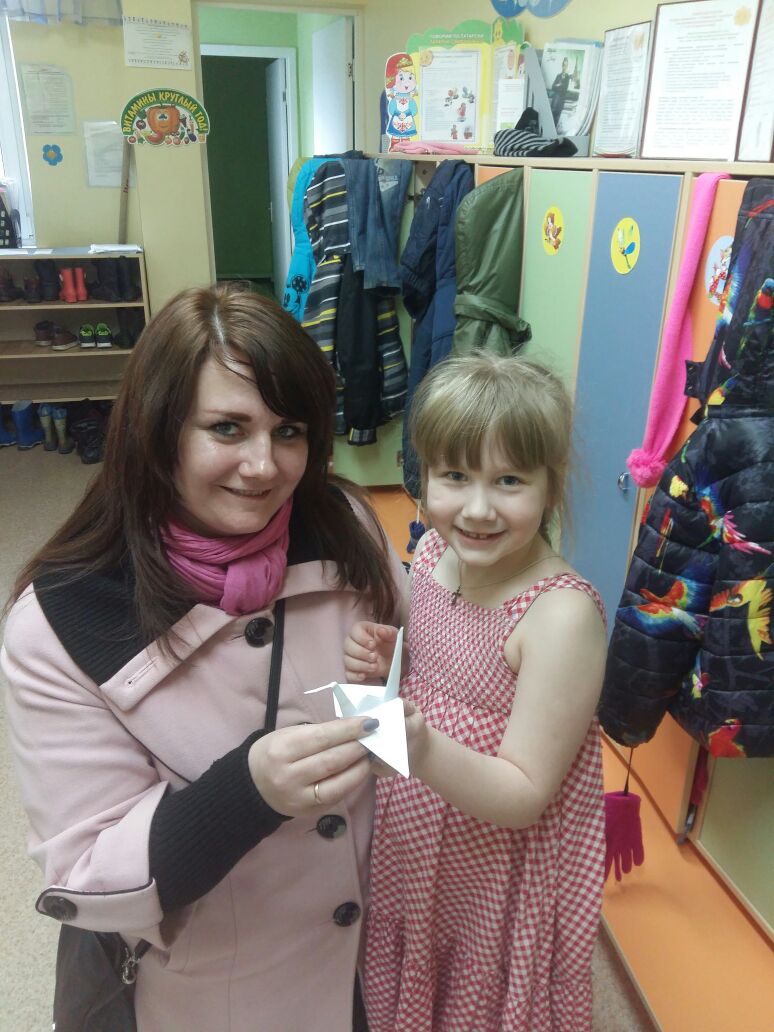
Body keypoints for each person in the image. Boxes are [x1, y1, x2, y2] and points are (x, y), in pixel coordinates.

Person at [1, 283, 408, 1032]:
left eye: (289, 431)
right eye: (227, 428)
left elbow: (408, 703)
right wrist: (249, 790)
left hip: (380, 965)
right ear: (158, 433)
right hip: (221, 994)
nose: (265, 466)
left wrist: (394, 679)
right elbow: (88, 874)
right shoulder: (63, 619)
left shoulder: (344, 524)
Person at [344, 355, 608, 1032]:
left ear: (551, 485)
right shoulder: (435, 554)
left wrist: (423, 748)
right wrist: (395, 659)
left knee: (472, 1001)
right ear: (424, 476)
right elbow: (436, 666)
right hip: (413, 839)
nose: (479, 508)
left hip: (490, 873)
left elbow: (524, 793)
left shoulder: (560, 616)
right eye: (455, 476)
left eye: (509, 480)